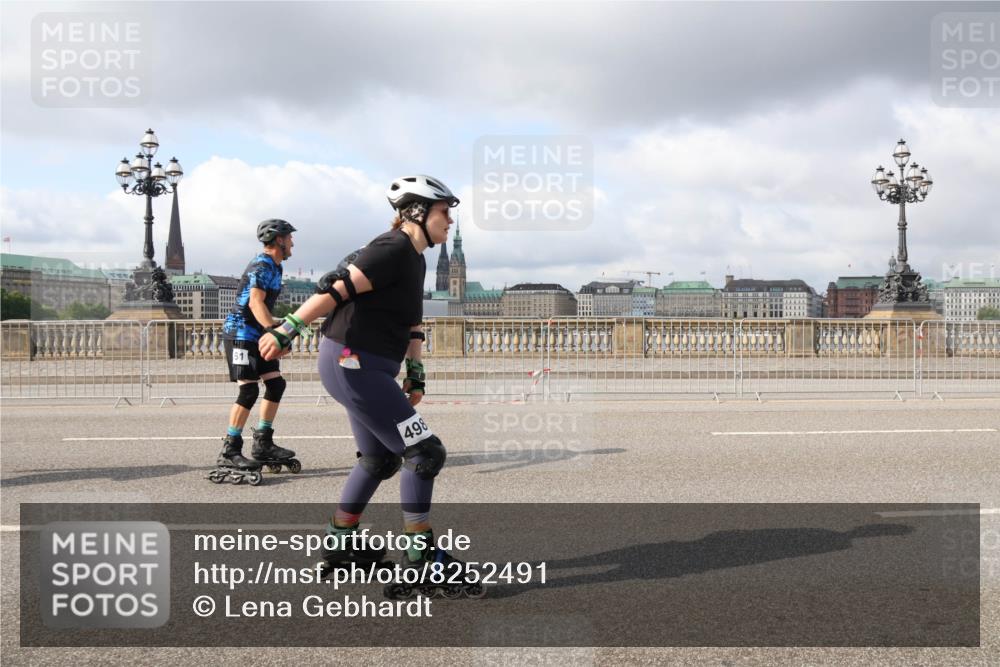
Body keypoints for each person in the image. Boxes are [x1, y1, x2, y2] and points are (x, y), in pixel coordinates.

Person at [260, 175, 483, 598]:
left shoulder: (414, 257)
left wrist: (415, 371)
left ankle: (340, 541)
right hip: (352, 363)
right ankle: (420, 559)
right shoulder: (393, 246)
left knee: (380, 459)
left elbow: (412, 322)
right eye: (444, 212)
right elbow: (336, 289)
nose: (449, 220)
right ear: (417, 212)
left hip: (367, 366)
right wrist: (288, 328)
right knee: (424, 452)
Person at [211, 219, 300, 485]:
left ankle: (263, 442)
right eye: (290, 238)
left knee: (276, 384)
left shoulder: (276, 266)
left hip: (256, 333)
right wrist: (273, 330)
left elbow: (263, 306)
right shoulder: (261, 264)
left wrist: (275, 329)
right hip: (240, 334)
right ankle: (230, 449)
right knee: (249, 390)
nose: (293, 242)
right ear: (279, 240)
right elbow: (255, 301)